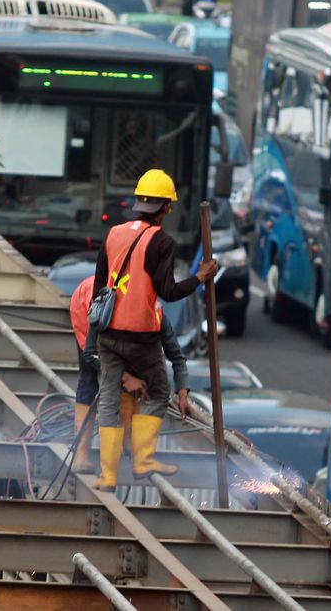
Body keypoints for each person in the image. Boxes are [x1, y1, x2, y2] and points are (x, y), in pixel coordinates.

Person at [89, 169, 217, 491]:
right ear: (165, 208)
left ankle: (108, 475)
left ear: (138, 203)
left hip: (107, 331)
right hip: (140, 335)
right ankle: (143, 458)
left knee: (108, 400)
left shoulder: (114, 233)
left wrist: (98, 333)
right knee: (159, 391)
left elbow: (99, 285)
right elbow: (168, 292)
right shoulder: (162, 242)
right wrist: (200, 278)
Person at [68, 275, 191, 474]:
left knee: (134, 372)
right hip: (89, 311)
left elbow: (177, 357)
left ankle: (126, 441)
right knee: (90, 379)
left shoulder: (157, 318)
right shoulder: (105, 309)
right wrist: (126, 378)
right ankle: (81, 454)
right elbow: (92, 357)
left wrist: (183, 392)